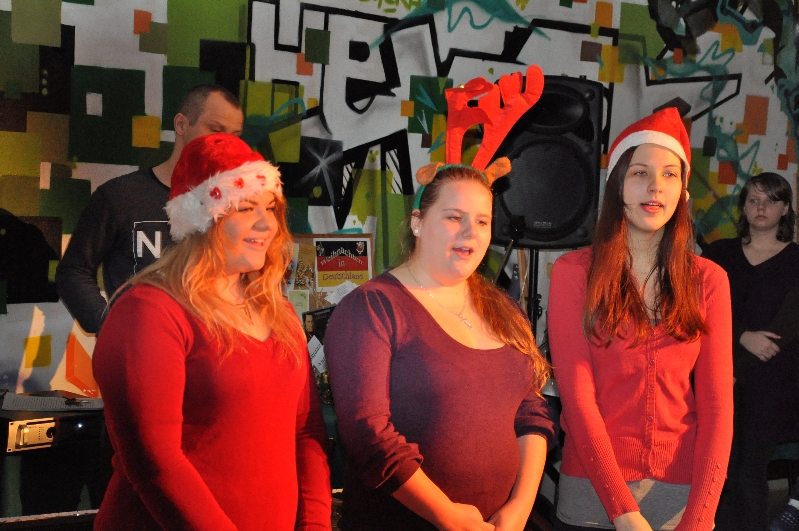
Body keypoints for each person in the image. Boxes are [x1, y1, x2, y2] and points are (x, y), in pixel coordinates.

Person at [91, 133, 332, 531]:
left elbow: (306, 431)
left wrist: (315, 525)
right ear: (203, 220)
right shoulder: (148, 312)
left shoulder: (279, 311)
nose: (267, 224)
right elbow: (155, 463)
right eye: (245, 208)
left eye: (270, 208)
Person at [325, 159, 558, 531]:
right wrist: (446, 515)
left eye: (482, 221)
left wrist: (519, 507)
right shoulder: (372, 307)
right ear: (418, 222)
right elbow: (367, 435)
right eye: (454, 217)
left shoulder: (506, 309)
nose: (470, 231)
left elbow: (531, 411)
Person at [547, 107, 734, 531]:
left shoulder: (709, 280)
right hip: (592, 494)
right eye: (639, 173)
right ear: (616, 186)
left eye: (670, 174)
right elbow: (577, 399)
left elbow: (718, 406)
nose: (655, 186)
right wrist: (622, 510)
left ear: (683, 191)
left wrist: (700, 518)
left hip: (682, 497)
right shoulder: (574, 273)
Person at [56, 84, 244, 334]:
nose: (227, 143)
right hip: (141, 349)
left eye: (235, 135)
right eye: (215, 130)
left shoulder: (238, 204)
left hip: (211, 349)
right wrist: (113, 329)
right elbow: (73, 271)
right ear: (181, 124)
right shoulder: (121, 196)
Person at [702, 172, 799, 531]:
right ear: (743, 206)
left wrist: (737, 366)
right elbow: (699, 311)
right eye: (754, 200)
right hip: (718, 379)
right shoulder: (717, 255)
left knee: (749, 474)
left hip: (771, 386)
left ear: (785, 209)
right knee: (719, 473)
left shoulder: (796, 260)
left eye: (771, 200)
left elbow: (780, 335)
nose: (762, 207)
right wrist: (741, 336)